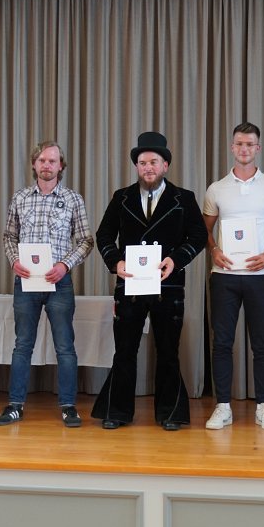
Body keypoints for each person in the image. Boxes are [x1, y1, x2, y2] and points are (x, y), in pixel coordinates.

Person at [91, 131, 208, 431]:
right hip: (129, 285)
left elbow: (198, 236)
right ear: (137, 167)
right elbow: (104, 235)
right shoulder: (121, 197)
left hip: (168, 286)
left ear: (165, 165)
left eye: (153, 162)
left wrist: (176, 259)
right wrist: (115, 262)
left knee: (168, 351)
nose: (148, 168)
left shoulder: (184, 198)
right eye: (142, 163)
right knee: (125, 350)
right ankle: (117, 411)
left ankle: (170, 413)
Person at [0, 141, 95, 427]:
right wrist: (14, 260)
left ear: (61, 166)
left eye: (52, 161)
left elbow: (86, 241)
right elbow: (8, 236)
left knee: (65, 346)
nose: (47, 165)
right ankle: (15, 405)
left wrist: (65, 265)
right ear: (34, 164)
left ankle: (68, 406)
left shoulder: (73, 199)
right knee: (22, 345)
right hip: (26, 282)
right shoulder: (20, 198)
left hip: (59, 283)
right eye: (42, 160)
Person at [202, 122, 264, 431]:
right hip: (224, 276)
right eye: (239, 143)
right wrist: (214, 250)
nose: (244, 149)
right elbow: (204, 229)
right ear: (232, 147)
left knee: (262, 344)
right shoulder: (216, 188)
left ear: (258, 148)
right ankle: (223, 406)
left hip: (260, 276)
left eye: (250, 144)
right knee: (222, 343)